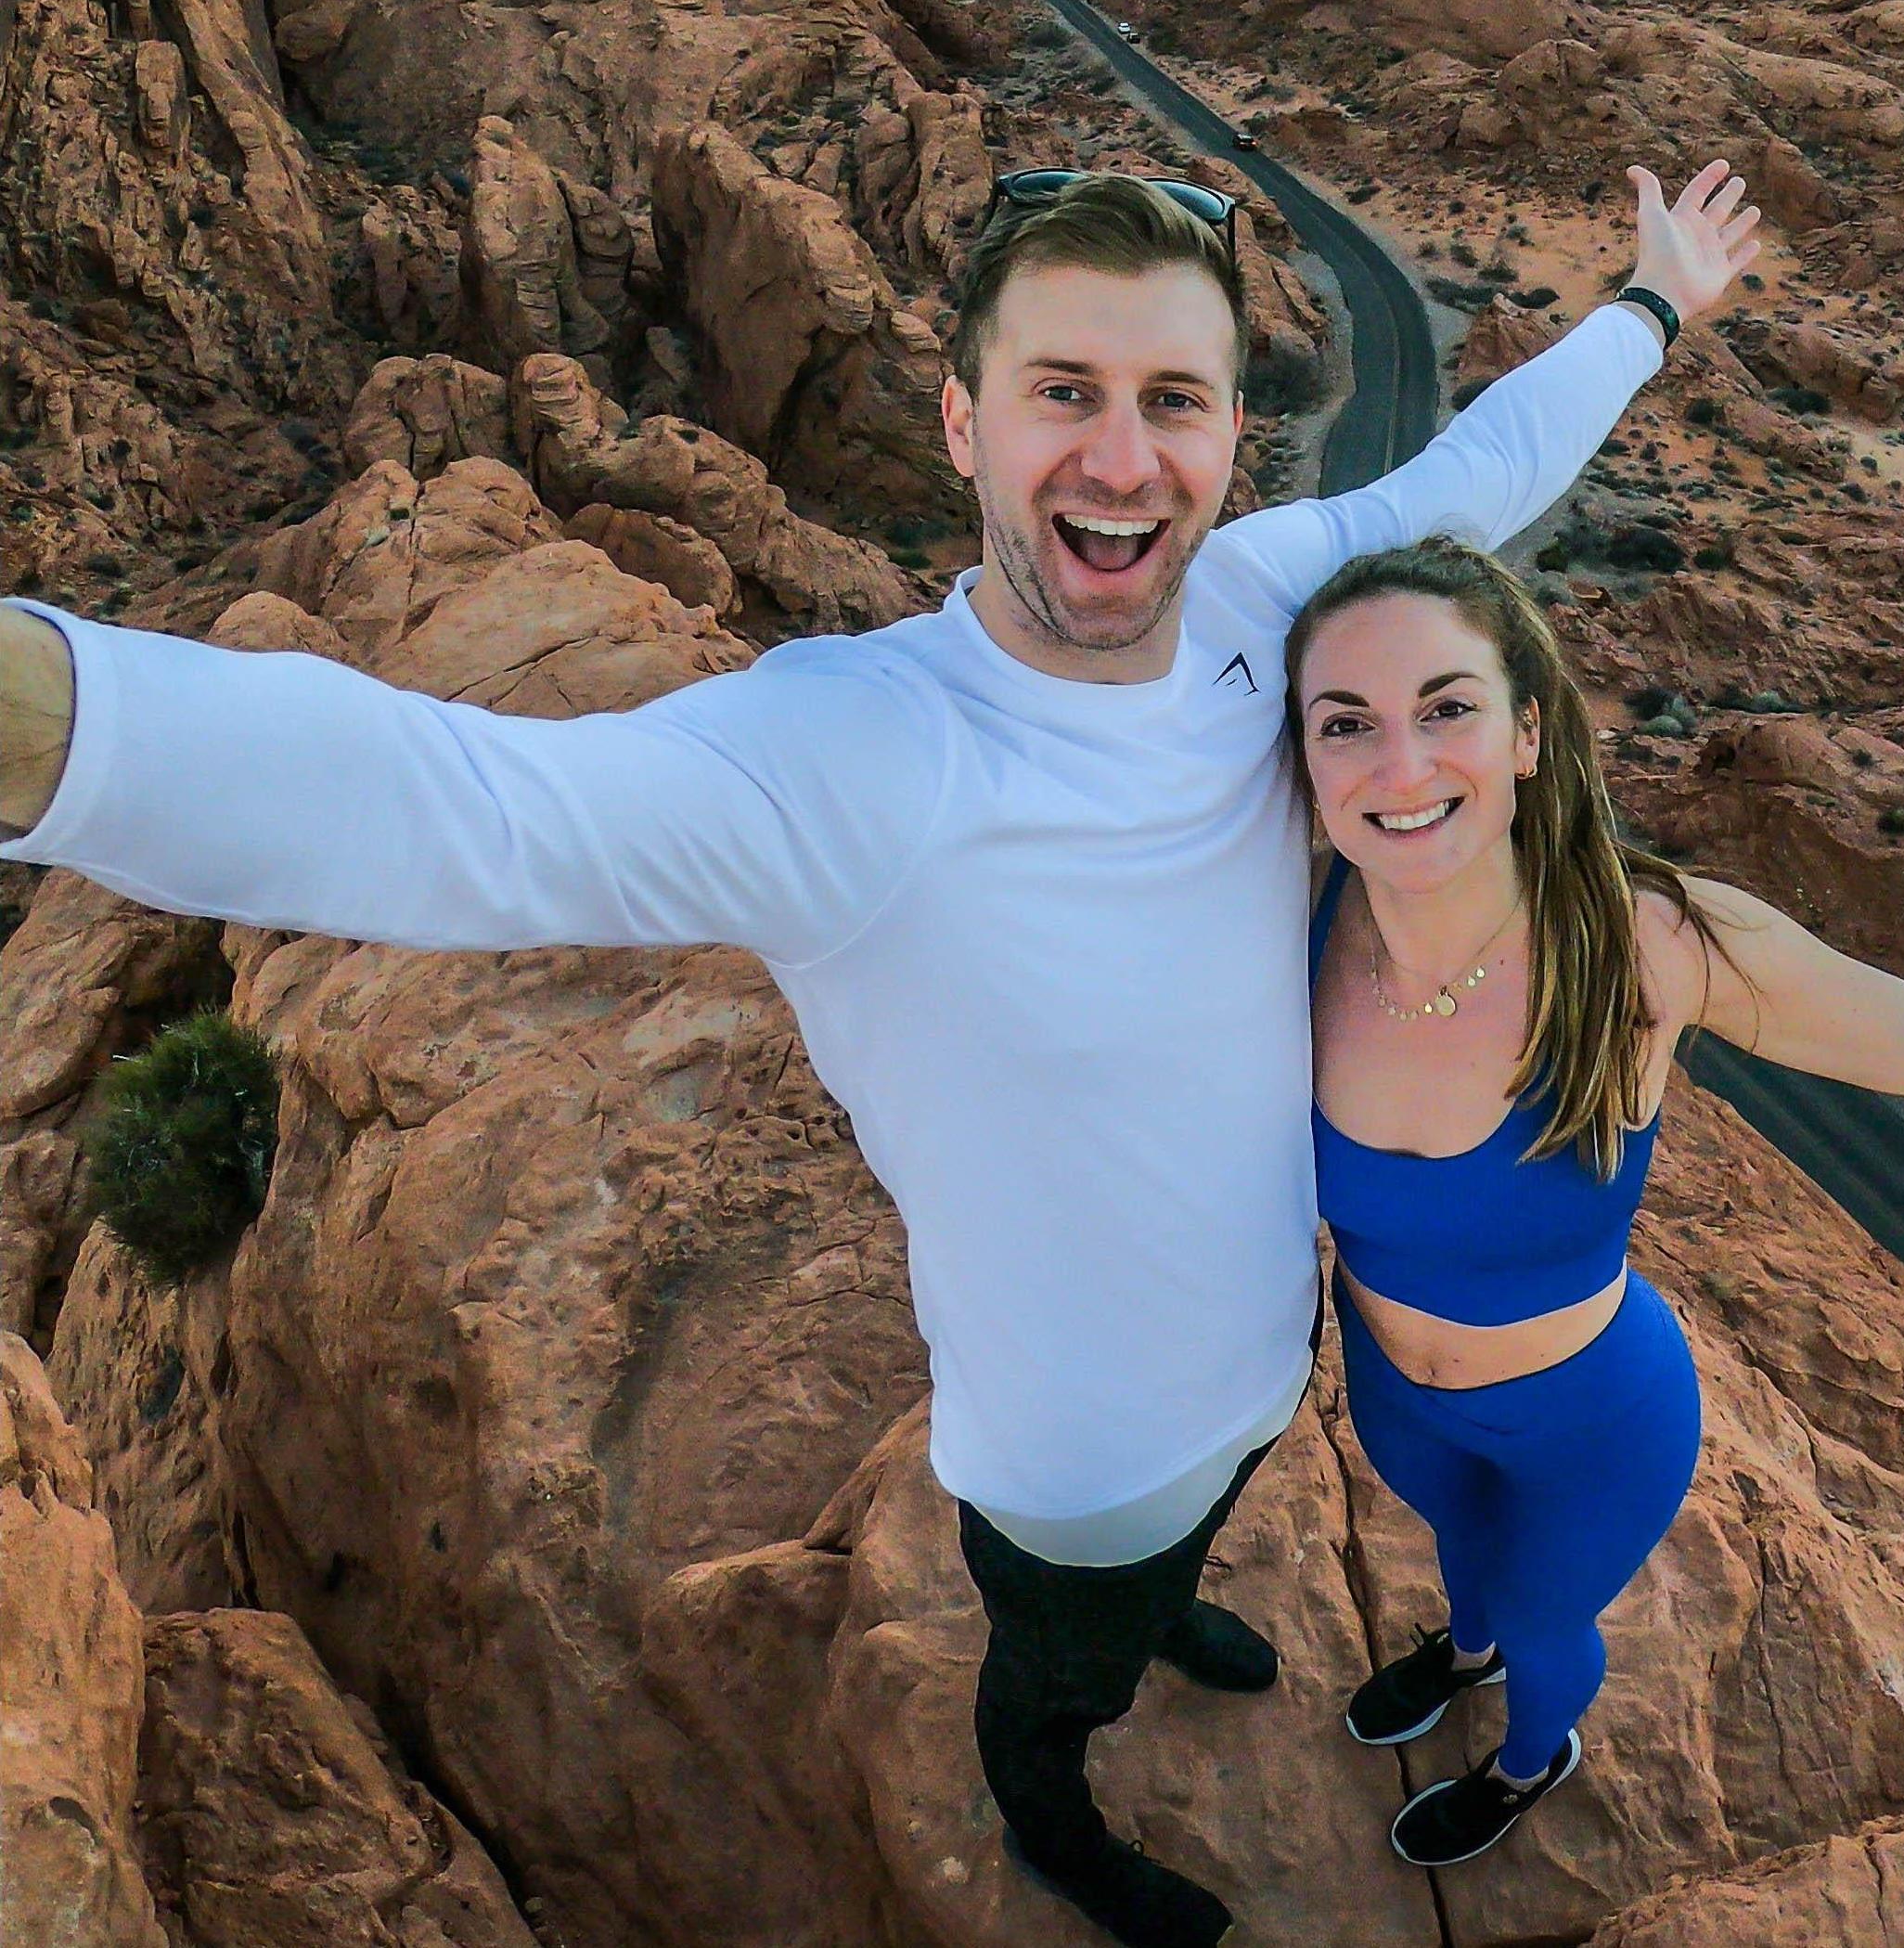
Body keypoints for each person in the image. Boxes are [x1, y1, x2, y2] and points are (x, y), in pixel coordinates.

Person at [0, 157, 1757, 1948]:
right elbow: (460, 800)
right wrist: (49, 720)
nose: (1122, 459)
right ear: (962, 424)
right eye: (1060, 393)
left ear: (1236, 434)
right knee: (1050, 1675)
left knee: (1185, 1562)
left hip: (1259, 1365)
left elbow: (1471, 482)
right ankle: (1055, 1812)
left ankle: (1167, 1613)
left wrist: (1646, 306)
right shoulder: (855, 754)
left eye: (1173, 401)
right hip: (1067, 1461)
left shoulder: (1254, 611)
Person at [1287, 537, 1904, 1869]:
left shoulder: (1645, 950)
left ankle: (1525, 1759)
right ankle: (1460, 1653)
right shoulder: (1298, 914)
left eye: (1445, 705)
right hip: (1396, 1396)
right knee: (1457, 1543)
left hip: (1591, 1422)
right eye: (1348, 723)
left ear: (1524, 729)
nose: (1398, 765)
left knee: (1546, 1613)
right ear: (1305, 758)